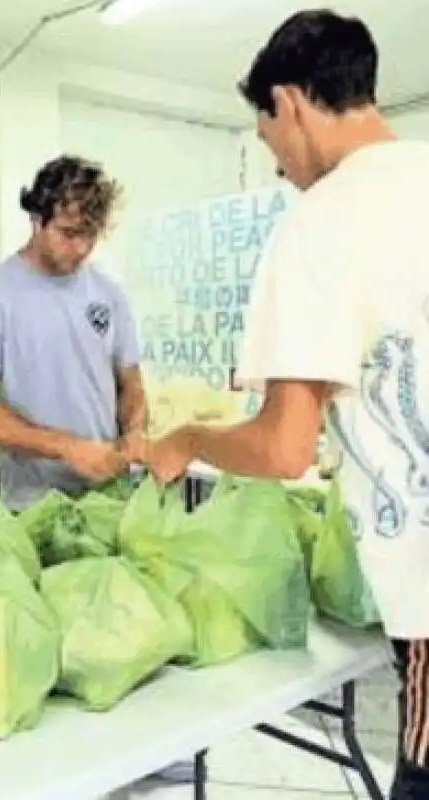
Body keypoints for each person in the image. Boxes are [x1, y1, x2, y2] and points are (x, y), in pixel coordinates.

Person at [148, 9, 429, 799]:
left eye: (268, 140)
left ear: (290, 102)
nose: (279, 166)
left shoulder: (322, 222)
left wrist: (191, 439)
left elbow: (282, 449)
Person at [0, 155, 146, 511]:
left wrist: (133, 433)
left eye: (91, 234)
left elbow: (130, 383)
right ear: (36, 219)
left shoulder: (109, 294)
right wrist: (65, 447)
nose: (82, 248)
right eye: (69, 234)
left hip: (110, 501)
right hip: (32, 506)